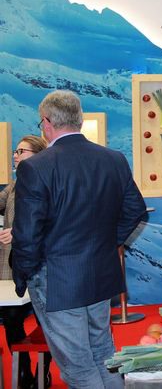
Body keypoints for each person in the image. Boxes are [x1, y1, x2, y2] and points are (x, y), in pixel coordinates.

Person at [11, 90, 147, 388]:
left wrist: (24, 275)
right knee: (104, 353)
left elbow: (27, 235)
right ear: (80, 120)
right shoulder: (113, 159)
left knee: (78, 366)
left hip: (57, 280)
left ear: (47, 122)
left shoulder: (35, 167)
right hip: (99, 272)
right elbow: (135, 210)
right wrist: (107, 243)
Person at [0, 135, 52, 388]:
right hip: (13, 266)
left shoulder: (48, 182)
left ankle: (44, 371)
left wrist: (19, 232)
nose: (15, 155)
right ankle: (23, 373)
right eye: (15, 151)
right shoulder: (13, 186)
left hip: (42, 265)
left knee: (46, 323)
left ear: (38, 155)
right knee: (11, 318)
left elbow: (51, 222)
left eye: (22, 151)